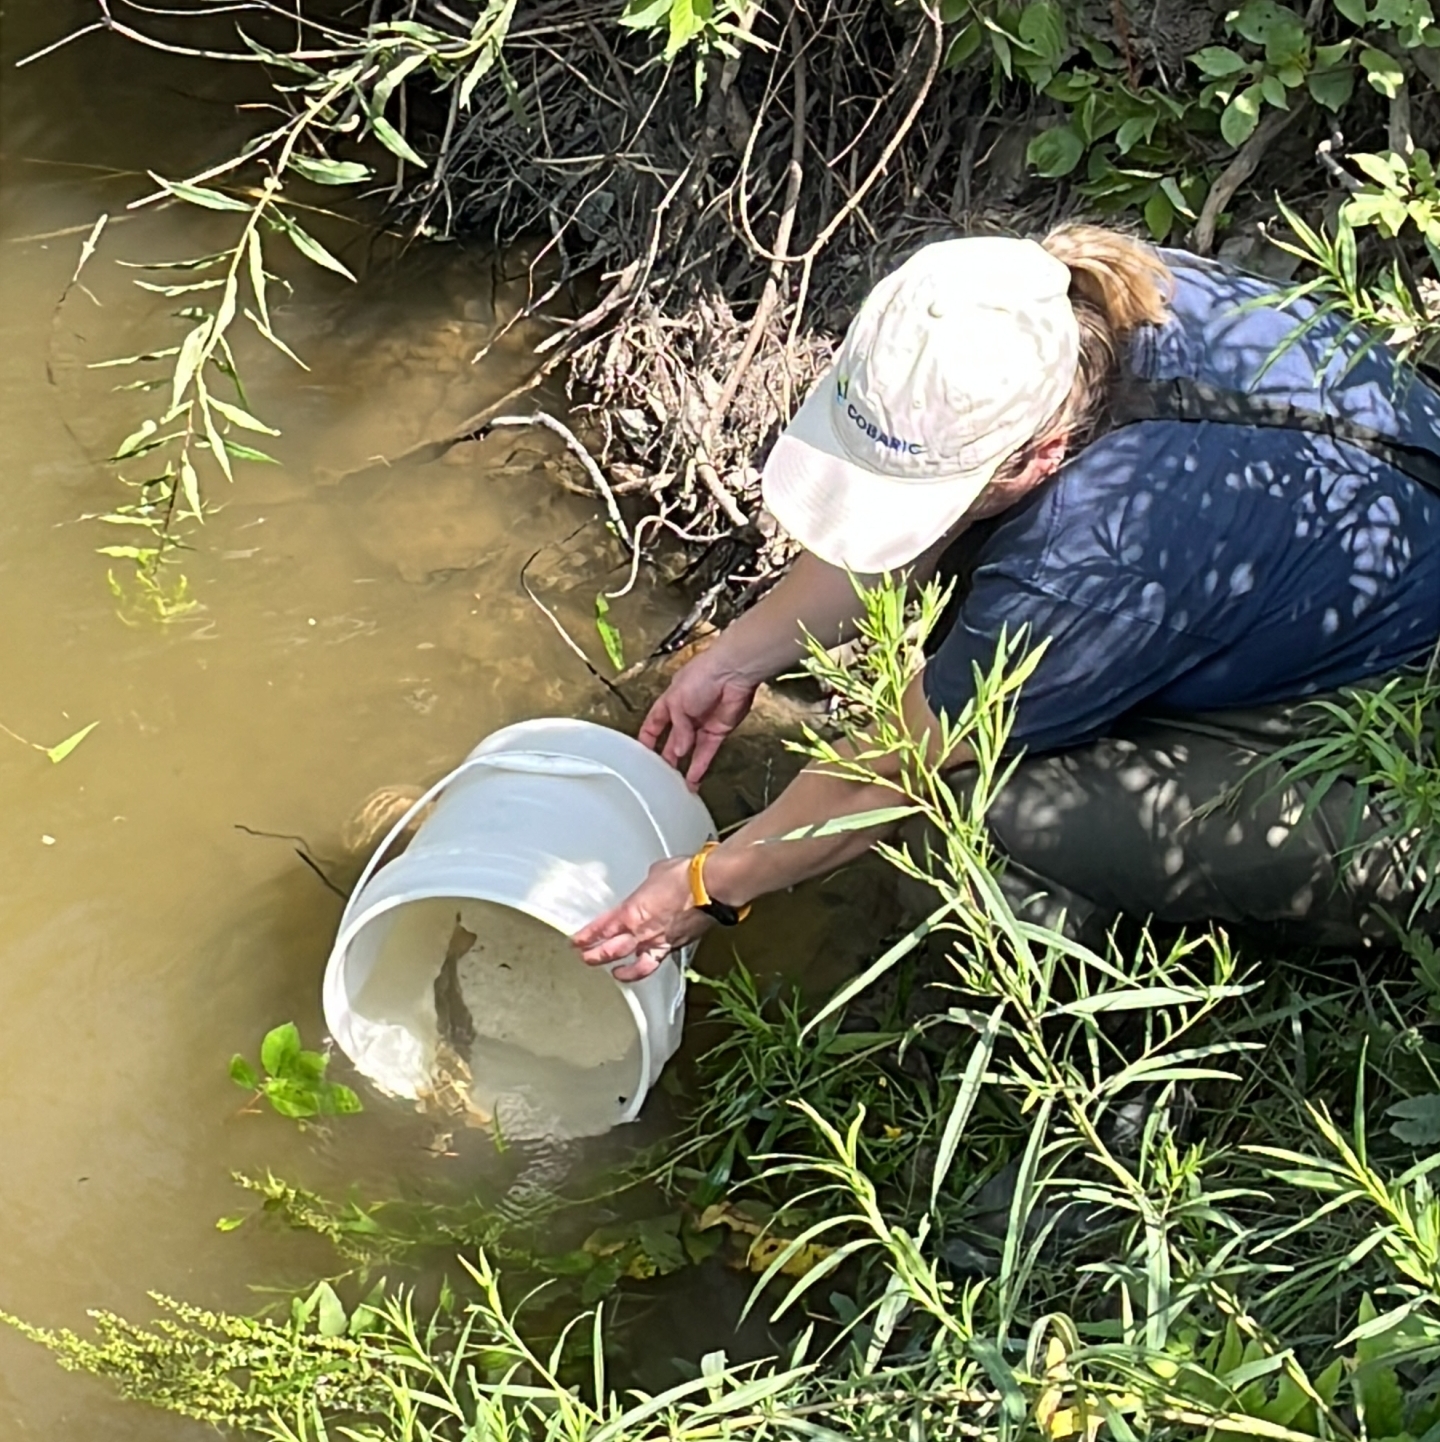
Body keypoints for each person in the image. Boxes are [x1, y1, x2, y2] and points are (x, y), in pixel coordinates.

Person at [572, 225, 1440, 980]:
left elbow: (887, 774)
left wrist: (707, 887)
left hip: (1395, 744)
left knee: (973, 812)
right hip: (1345, 571)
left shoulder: (1091, 555)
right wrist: (738, 659)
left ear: (1042, 455)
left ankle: (1089, 1036)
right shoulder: (1084, 302)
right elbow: (919, 526)